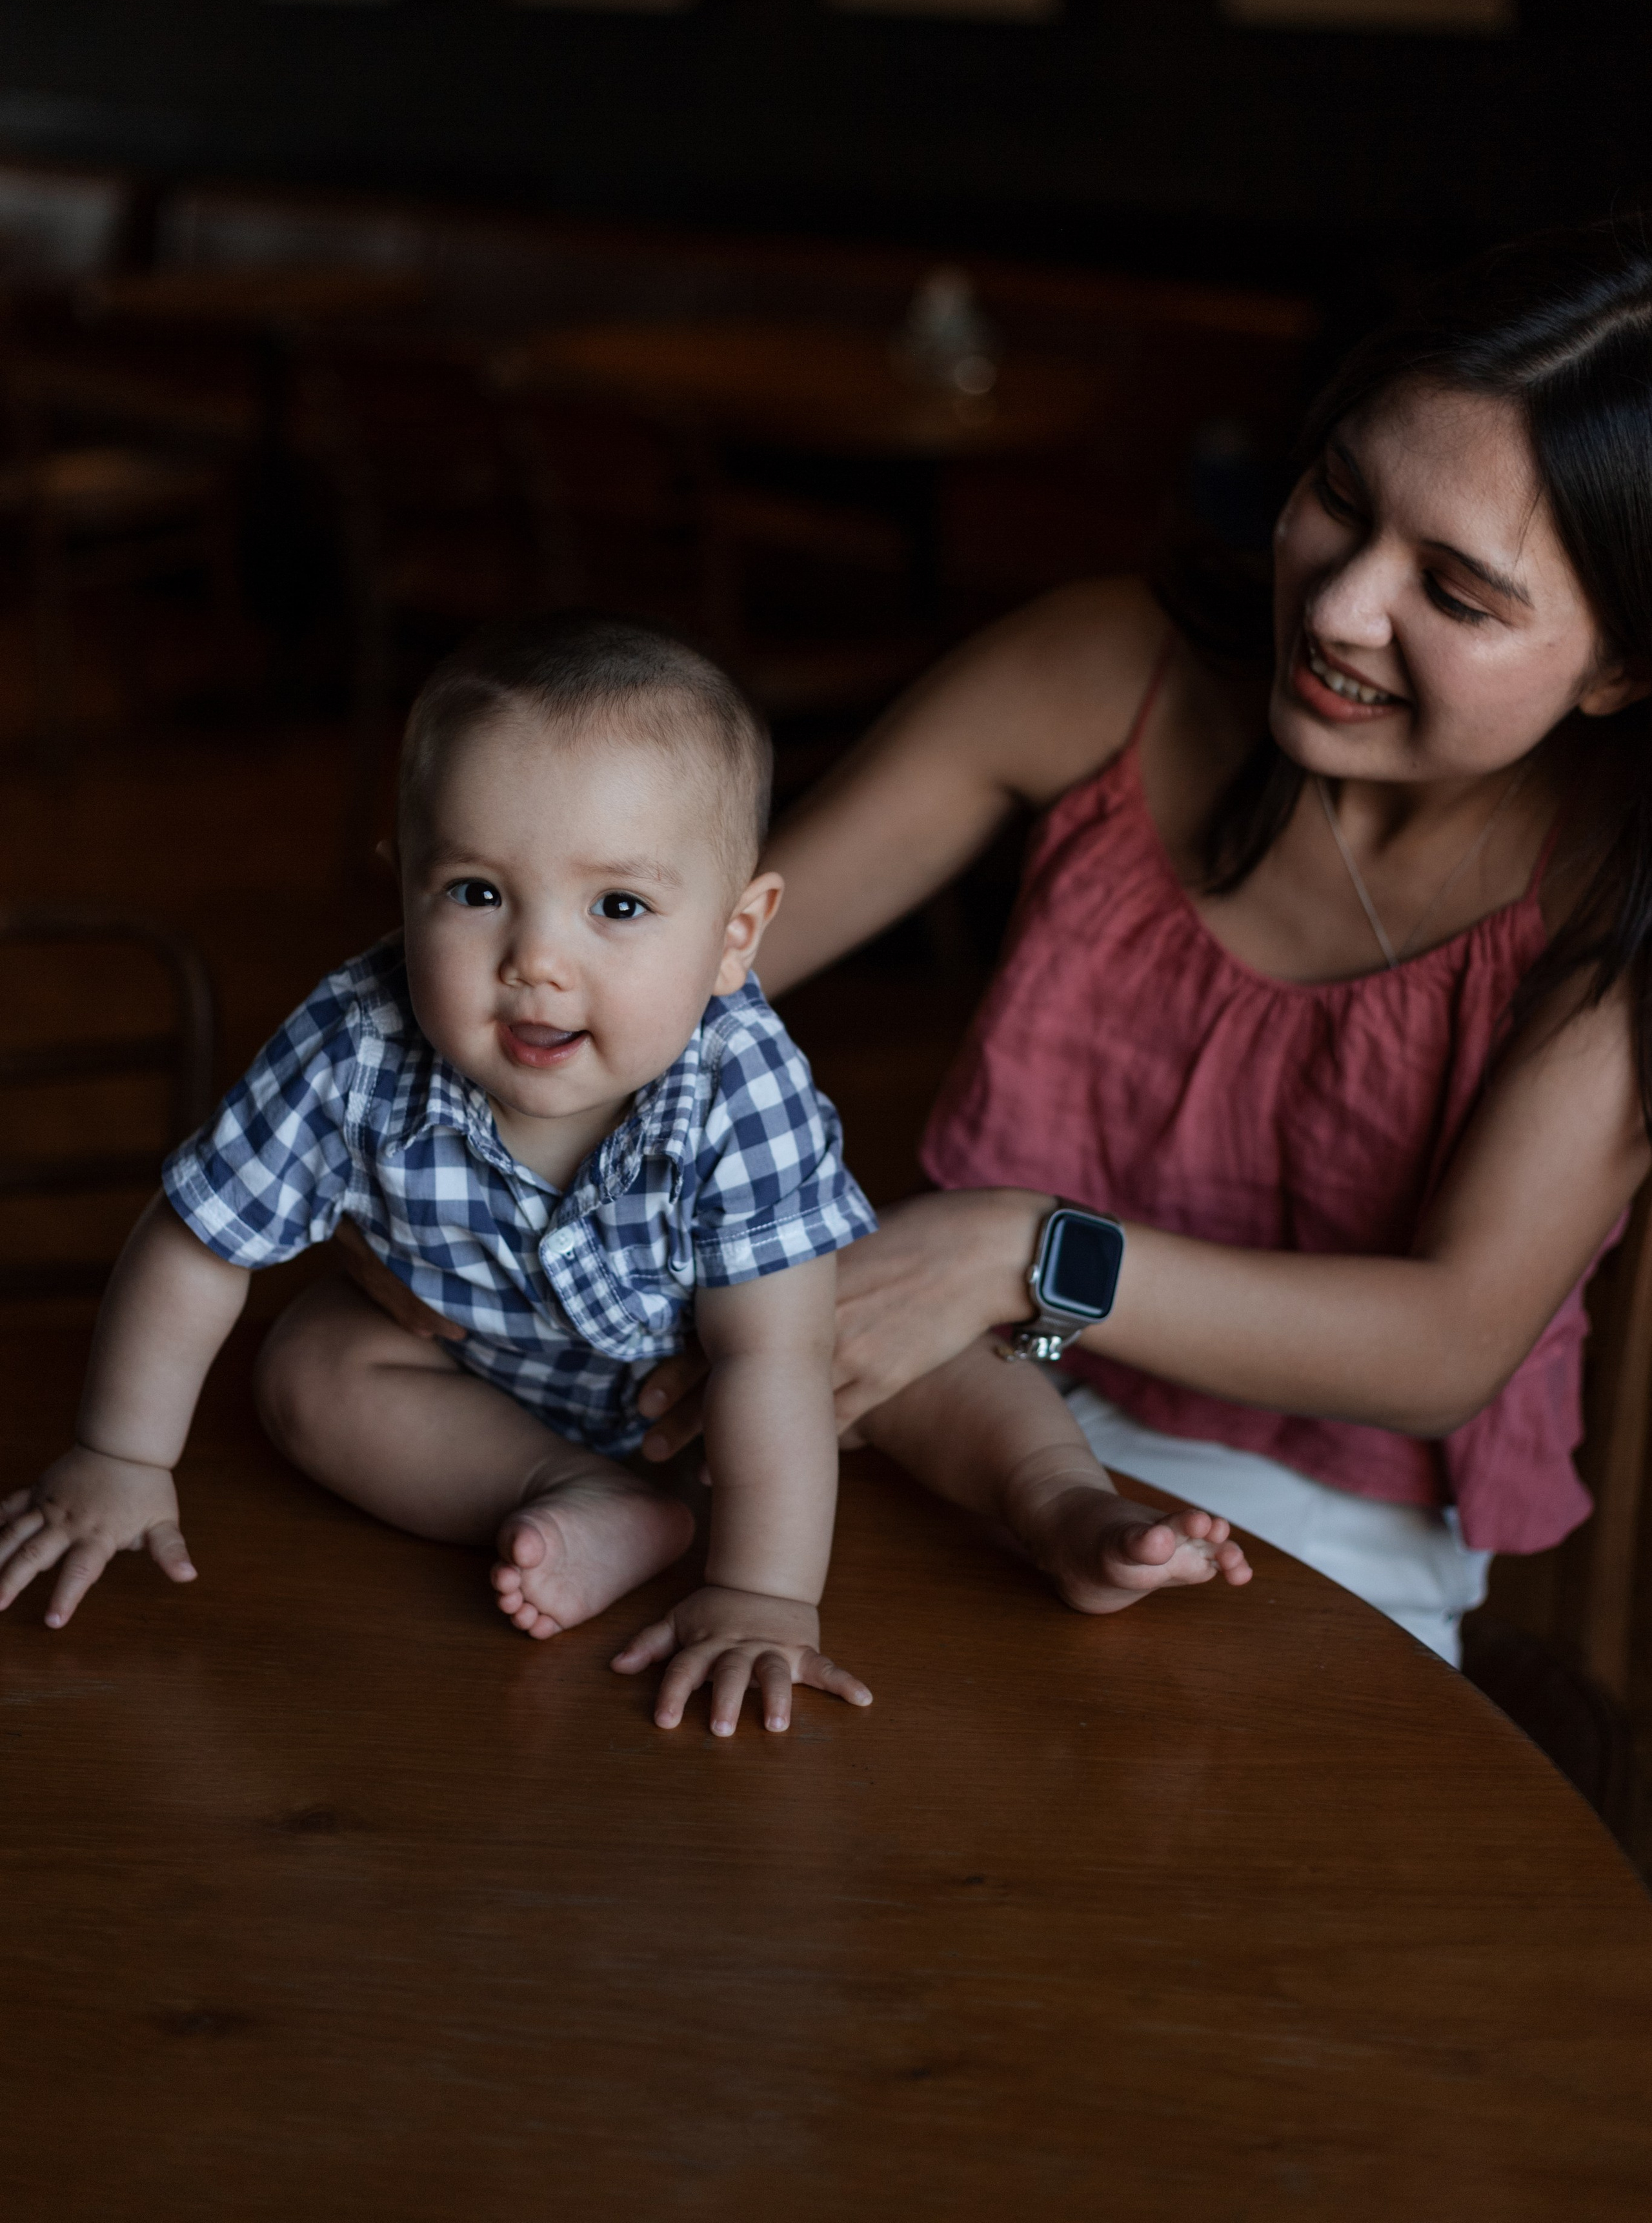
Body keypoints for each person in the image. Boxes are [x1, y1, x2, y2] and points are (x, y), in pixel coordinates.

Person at [640, 223, 1652, 1667]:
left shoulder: (1613, 891)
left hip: (1313, 1507)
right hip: (954, 1394)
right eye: (1340, 497)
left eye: (1454, 593)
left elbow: (1448, 1345)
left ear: (1622, 666)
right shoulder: (1108, 670)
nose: (1338, 607)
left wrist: (1019, 1251)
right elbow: (674, 978)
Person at [0, 618, 1238, 1733]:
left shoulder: (739, 1077)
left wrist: (761, 1594)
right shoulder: (354, 1039)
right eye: (477, 892)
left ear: (735, 936)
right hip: (485, 1372)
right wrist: (122, 1455)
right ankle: (578, 1496)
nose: (537, 961)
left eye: (620, 907)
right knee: (309, 1368)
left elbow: (773, 1360)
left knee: (926, 1367)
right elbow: (195, 1240)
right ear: (403, 886)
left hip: (744, 1375)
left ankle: (1062, 1504)